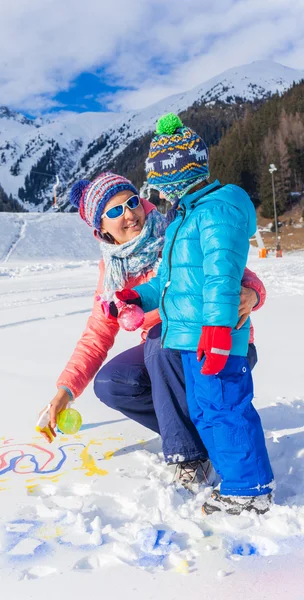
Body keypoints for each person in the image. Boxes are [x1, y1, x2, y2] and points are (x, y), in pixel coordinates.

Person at [39, 171, 266, 490]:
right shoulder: (113, 272)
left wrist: (254, 294)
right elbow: (96, 335)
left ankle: (189, 456)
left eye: (132, 202)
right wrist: (65, 391)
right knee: (112, 382)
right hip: (166, 360)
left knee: (160, 340)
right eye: (115, 211)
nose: (129, 214)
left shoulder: (176, 231)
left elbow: (235, 268)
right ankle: (195, 437)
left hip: (219, 349)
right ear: (100, 228)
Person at [126, 113, 274, 513]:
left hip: (213, 338)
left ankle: (250, 490)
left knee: (225, 409)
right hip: (190, 338)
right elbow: (168, 282)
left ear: (184, 170)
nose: (158, 182)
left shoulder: (216, 212)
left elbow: (222, 278)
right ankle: (238, 480)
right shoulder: (183, 218)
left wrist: (218, 330)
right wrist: (135, 297)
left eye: (162, 171)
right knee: (208, 411)